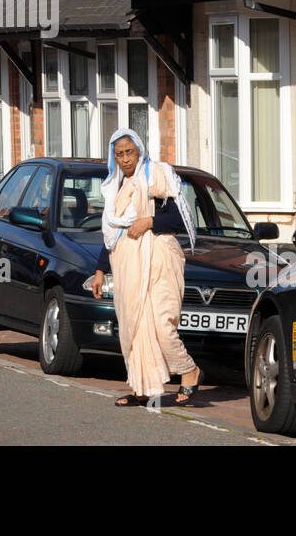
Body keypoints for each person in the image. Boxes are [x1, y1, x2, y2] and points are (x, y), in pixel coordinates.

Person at [91, 128, 203, 407]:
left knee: (162, 324)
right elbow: (111, 234)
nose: (126, 159)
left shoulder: (156, 175)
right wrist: (100, 270)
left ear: (139, 151)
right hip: (127, 264)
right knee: (134, 326)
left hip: (160, 260)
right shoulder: (114, 187)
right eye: (119, 154)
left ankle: (189, 371)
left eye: (130, 152)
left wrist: (149, 222)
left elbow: (179, 218)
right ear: (113, 158)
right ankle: (143, 387)